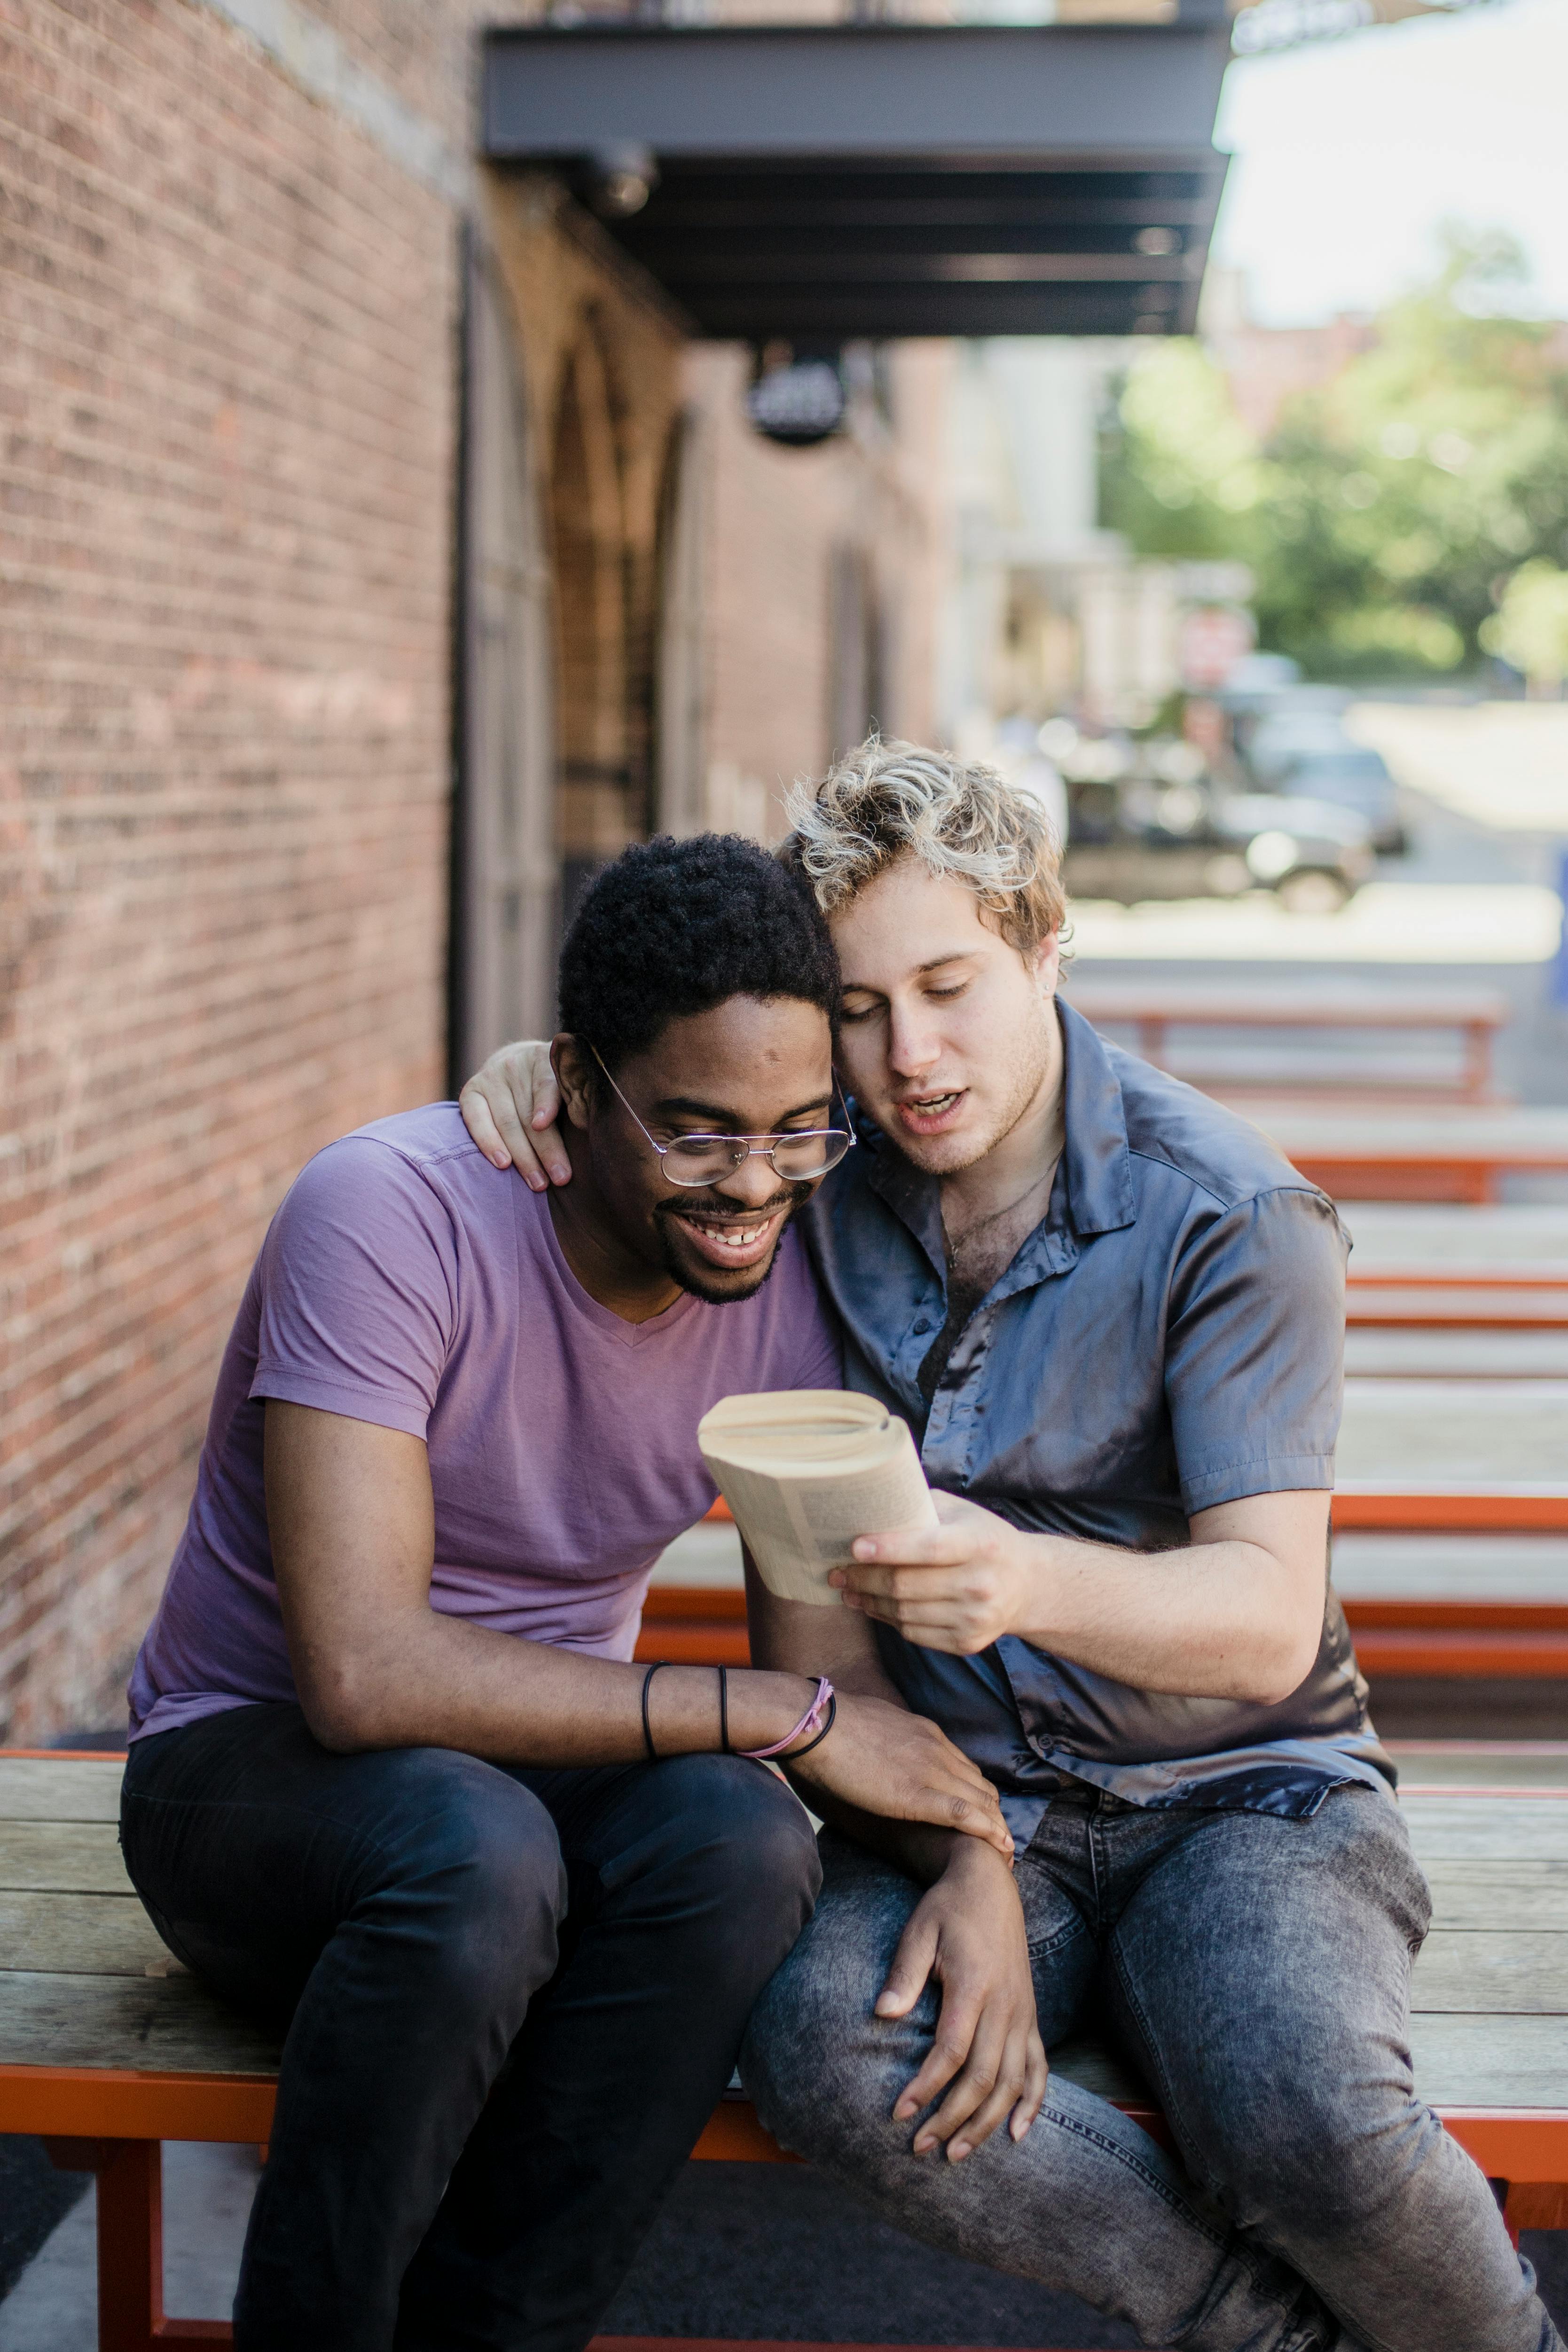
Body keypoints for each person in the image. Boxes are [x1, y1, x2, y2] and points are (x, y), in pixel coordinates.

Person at [461, 740, 1560, 2352]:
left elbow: (1266, 1625)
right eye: (857, 1004)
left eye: (952, 982)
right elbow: (814, 1627)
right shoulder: (812, 1182)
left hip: (1244, 1797)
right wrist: (535, 1074)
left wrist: (1025, 1577)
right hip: (951, 1793)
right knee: (831, 2046)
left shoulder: (1238, 1217)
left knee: (1306, 2119)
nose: (910, 1053)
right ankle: (1263, 2334)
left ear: (1048, 941)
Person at [120, 833, 1012, 2352]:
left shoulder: (790, 1279)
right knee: (475, 1851)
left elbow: (818, 1674)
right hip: (255, 1782)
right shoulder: (387, 1216)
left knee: (738, 1843)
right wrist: (777, 1715)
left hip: (533, 1797)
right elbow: (362, 1672)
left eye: (800, 1131)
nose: (752, 1184)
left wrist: (969, 1861)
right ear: (577, 1088)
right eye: (697, 1132)